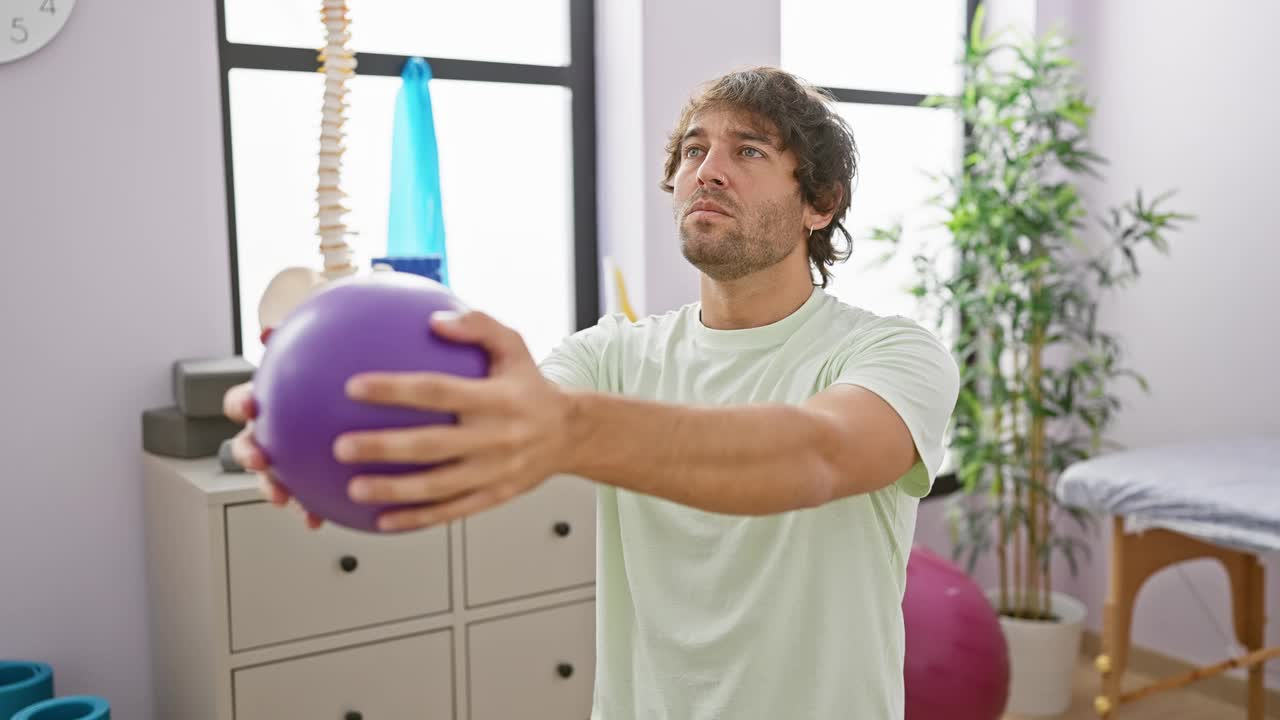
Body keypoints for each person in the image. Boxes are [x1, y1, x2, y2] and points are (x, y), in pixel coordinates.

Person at [225, 66, 960, 720]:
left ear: (820, 204)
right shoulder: (610, 355)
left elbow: (818, 456)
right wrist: (320, 428)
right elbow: (483, 423)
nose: (707, 170)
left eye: (750, 150)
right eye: (694, 150)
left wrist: (566, 429)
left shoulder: (892, 352)